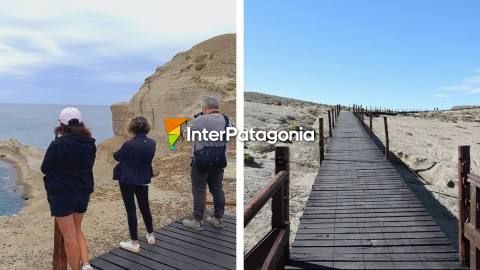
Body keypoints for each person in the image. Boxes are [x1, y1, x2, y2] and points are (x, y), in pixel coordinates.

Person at [41, 107, 96, 270]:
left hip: (62, 194)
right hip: (83, 191)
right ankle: (86, 264)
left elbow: (45, 168)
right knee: (77, 229)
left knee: (69, 236)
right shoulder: (90, 143)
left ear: (62, 125)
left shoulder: (58, 144)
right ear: (80, 123)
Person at [182, 96, 231, 230]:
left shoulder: (201, 120)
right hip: (219, 159)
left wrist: (188, 127)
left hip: (202, 160)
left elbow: (188, 136)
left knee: (198, 189)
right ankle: (218, 219)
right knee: (217, 189)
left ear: (205, 108)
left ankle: (197, 221)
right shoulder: (227, 119)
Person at [113, 116, 156, 253]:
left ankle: (134, 243)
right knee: (145, 207)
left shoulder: (129, 144)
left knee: (131, 209)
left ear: (132, 128)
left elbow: (117, 156)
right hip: (143, 178)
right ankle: (150, 235)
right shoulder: (152, 143)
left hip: (127, 179)